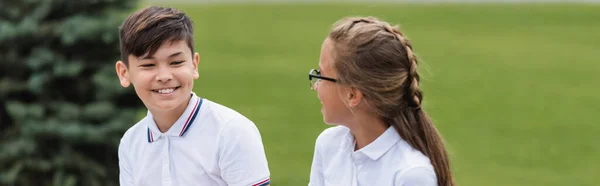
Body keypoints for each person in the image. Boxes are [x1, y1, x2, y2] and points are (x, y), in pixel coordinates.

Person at [115, 6, 270, 186]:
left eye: (176, 62)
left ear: (194, 65)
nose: (164, 76)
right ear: (124, 73)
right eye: (149, 65)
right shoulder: (131, 143)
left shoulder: (231, 132)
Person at [308, 16, 454, 186]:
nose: (316, 85)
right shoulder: (329, 145)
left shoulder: (411, 174)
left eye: (321, 75)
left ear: (353, 95)